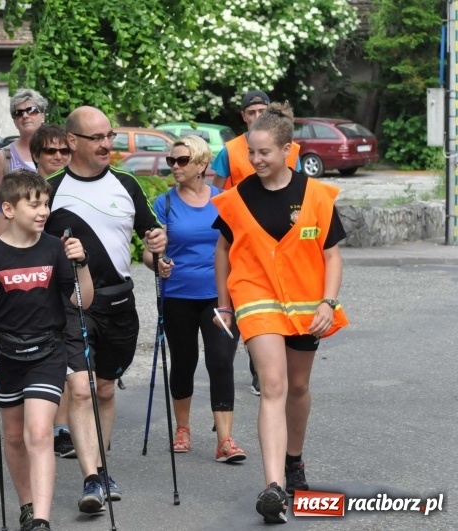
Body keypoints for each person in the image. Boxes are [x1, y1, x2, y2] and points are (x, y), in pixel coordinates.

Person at [210, 102, 348, 524]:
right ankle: (272, 487)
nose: (255, 160)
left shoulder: (317, 195)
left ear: (288, 150)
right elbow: (223, 251)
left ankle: (294, 461)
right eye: (251, 152)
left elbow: (332, 255)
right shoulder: (237, 199)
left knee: (298, 386)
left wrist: (328, 302)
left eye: (264, 152)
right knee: (273, 385)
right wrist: (224, 304)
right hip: (256, 299)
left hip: (308, 305)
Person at [44, 106, 166, 513]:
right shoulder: (51, 189)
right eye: (96, 137)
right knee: (81, 389)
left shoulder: (127, 184)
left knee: (106, 389)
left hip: (119, 302)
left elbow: (151, 239)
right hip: (72, 304)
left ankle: (100, 467)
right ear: (72, 141)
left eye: (109, 136)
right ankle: (92, 477)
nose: (106, 144)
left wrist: (158, 250)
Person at [0, 169, 93, 531]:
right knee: (13, 437)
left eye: (46, 204)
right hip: (6, 355)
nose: (43, 212)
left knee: (38, 433)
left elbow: (82, 301)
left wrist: (82, 265)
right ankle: (27, 504)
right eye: (34, 205)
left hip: (48, 352)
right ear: (8, 209)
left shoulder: (54, 249)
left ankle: (41, 520)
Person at [144, 135, 245, 461]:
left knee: (220, 361)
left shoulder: (224, 200)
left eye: (182, 160)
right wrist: (158, 263)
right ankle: (183, 428)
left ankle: (225, 440)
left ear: (201, 164)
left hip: (219, 295)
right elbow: (150, 252)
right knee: (184, 361)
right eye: (171, 160)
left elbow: (239, 245)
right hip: (178, 295)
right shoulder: (165, 204)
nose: (174, 166)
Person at [211, 89, 301, 397]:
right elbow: (218, 194)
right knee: (252, 312)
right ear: (243, 116)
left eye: (261, 111)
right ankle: (261, 373)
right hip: (243, 238)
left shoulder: (293, 149)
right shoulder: (230, 150)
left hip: (281, 242)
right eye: (251, 112)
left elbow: (300, 192)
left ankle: (270, 373)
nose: (256, 116)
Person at [28, 124, 76, 459]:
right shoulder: (25, 189)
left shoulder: (76, 187)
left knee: (68, 356)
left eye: (64, 150)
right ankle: (44, 424)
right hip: (33, 282)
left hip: (67, 280)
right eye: (50, 150)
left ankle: (62, 427)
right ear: (36, 155)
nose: (58, 156)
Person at [0, 89, 47, 238]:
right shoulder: (5, 156)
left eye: (31, 110)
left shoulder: (59, 152)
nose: (25, 115)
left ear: (42, 116)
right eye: (18, 113)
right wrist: (4, 241)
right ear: (14, 121)